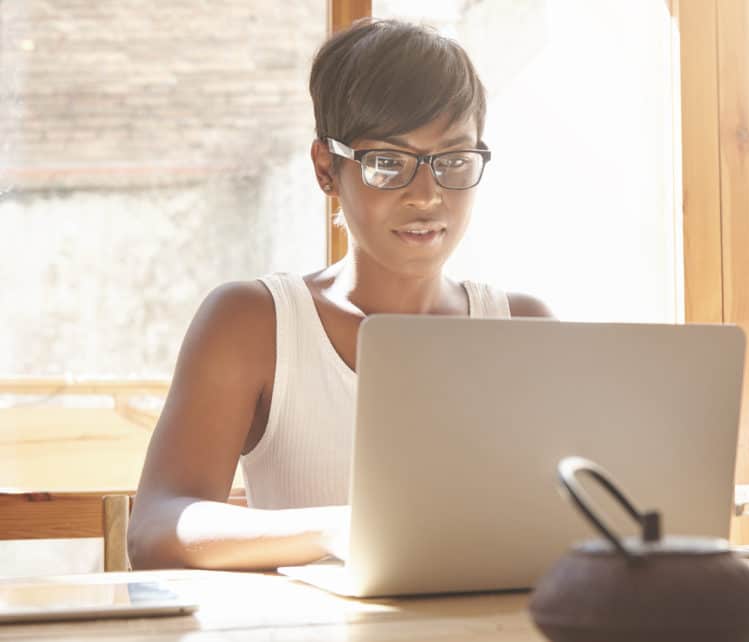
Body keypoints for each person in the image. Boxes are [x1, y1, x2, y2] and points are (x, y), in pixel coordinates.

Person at [127, 18, 553, 570]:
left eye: (451, 161)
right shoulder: (253, 323)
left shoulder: (523, 327)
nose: (426, 195)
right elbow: (157, 527)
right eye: (388, 163)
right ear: (326, 168)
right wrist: (343, 528)